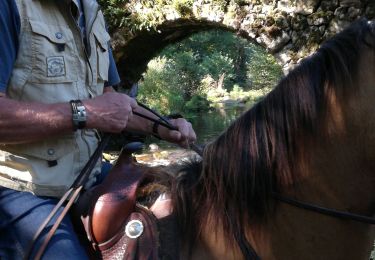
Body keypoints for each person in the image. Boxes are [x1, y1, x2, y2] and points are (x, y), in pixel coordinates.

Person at [0, 0, 196, 259]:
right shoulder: (10, 6)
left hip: (89, 173)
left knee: (179, 214)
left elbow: (110, 100)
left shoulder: (91, 12)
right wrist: (86, 113)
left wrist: (164, 127)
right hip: (20, 185)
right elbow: (95, 109)